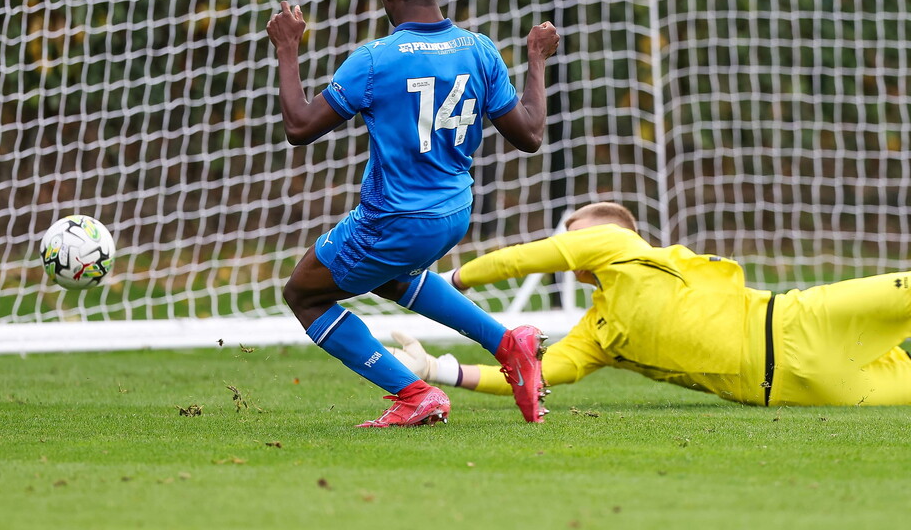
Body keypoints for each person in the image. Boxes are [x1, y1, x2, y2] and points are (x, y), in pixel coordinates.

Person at [265, 0, 560, 426]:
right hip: (453, 213)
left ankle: (414, 392)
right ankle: (510, 344)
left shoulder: (376, 60)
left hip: (396, 218)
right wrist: (535, 60)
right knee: (391, 276)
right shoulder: (480, 50)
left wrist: (288, 47)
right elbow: (530, 135)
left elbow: (299, 126)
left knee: (303, 293)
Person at [389, 201, 911, 407]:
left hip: (800, 322)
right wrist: (441, 369)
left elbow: (536, 255)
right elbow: (541, 373)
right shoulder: (598, 331)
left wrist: (453, 278)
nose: (571, 248)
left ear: (611, 234)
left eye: (578, 236)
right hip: (794, 389)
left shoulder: (622, 247)